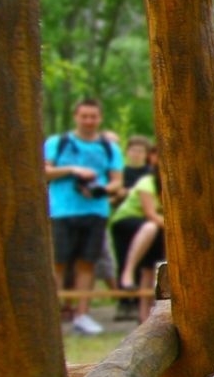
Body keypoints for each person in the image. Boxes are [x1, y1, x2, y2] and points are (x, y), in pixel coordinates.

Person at [44, 98, 125, 335]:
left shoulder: (109, 148)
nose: (89, 121)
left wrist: (101, 190)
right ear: (76, 117)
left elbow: (117, 181)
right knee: (58, 262)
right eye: (84, 116)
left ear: (100, 118)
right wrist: (73, 170)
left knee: (87, 263)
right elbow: (45, 171)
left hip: (95, 210)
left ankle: (82, 314)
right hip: (62, 210)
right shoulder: (58, 143)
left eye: (93, 117)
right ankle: (54, 313)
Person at [111, 165, 165, 322]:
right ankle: (128, 272)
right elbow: (150, 214)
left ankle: (145, 317)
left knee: (150, 268)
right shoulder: (147, 183)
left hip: (157, 228)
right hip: (128, 222)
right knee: (150, 227)